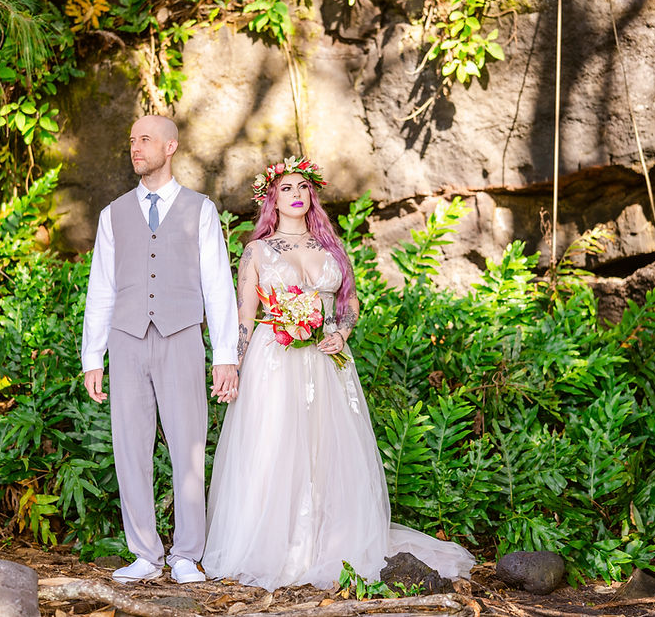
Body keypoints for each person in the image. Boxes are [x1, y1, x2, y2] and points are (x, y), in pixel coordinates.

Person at [201, 156, 474, 590]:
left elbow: (349, 303)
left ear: (311, 196)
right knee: (274, 448)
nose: (296, 194)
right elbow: (246, 316)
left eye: (302, 187)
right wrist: (232, 363)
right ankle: (275, 546)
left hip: (326, 362)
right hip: (275, 360)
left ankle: (328, 544)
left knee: (326, 450)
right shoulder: (257, 250)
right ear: (271, 197)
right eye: (286, 188)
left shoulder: (330, 246)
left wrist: (342, 334)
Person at [81, 115, 239, 584]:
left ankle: (187, 553)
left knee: (189, 445)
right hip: (127, 341)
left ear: (170, 146)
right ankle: (145, 554)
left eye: (145, 139)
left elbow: (218, 284)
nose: (135, 147)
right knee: (130, 447)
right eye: (131, 140)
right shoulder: (114, 214)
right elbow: (101, 288)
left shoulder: (201, 210)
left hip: (182, 338)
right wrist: (94, 355)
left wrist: (224, 353)